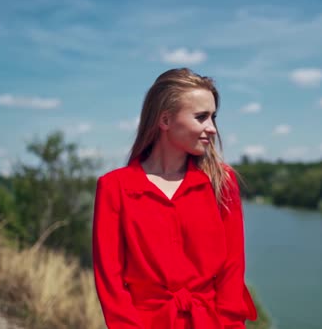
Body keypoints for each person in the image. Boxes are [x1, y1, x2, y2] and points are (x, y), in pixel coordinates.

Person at [92, 68, 258, 328]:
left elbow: (232, 271)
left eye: (213, 117)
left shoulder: (221, 183)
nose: (212, 128)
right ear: (165, 121)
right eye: (201, 117)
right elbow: (109, 281)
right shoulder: (115, 187)